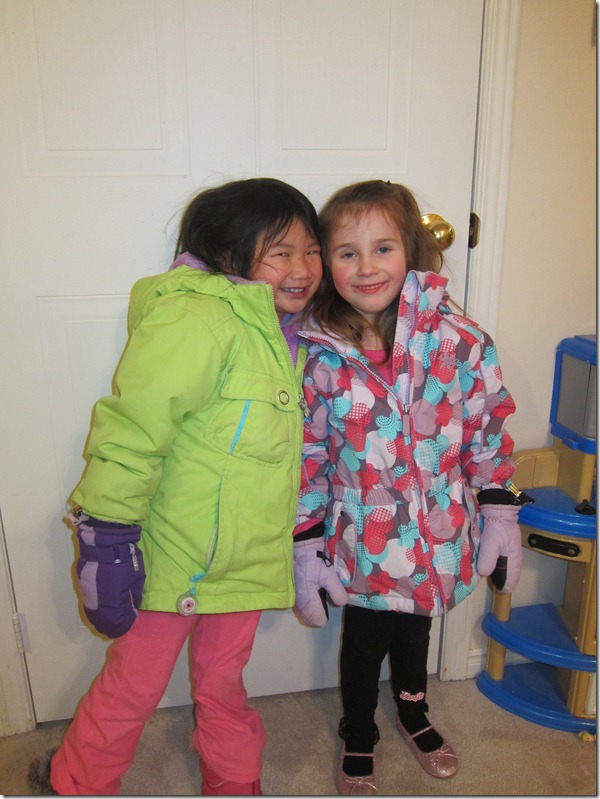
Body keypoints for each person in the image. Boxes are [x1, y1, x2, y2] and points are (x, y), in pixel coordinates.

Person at [27, 177, 322, 797]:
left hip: (242, 559)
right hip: (173, 556)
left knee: (224, 682)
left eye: (312, 250)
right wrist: (107, 534)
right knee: (133, 684)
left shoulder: (287, 335)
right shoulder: (196, 317)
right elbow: (135, 427)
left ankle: (233, 778)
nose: (303, 268)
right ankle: (76, 781)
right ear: (227, 254)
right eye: (282, 252)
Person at [292, 180, 531, 795]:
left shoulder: (458, 340)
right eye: (348, 253)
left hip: (437, 535)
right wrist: (305, 539)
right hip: (363, 542)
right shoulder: (319, 356)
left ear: (412, 251)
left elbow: (487, 427)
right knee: (363, 642)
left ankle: (414, 712)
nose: (367, 267)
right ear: (327, 262)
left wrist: (500, 510)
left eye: (383, 248)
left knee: (416, 635)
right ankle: (358, 730)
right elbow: (308, 454)